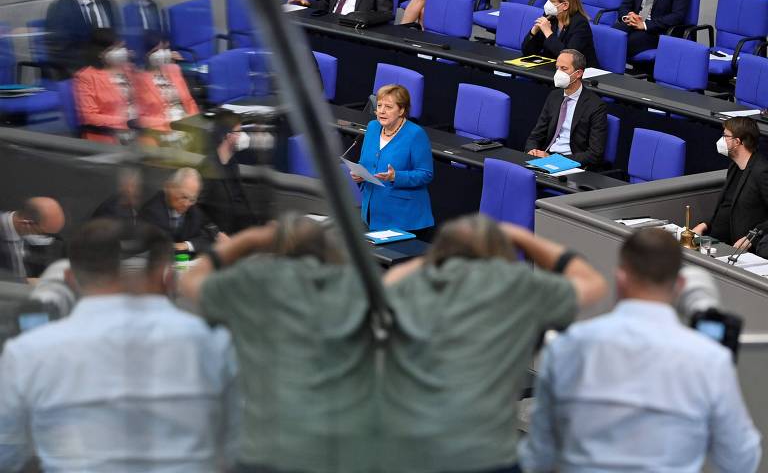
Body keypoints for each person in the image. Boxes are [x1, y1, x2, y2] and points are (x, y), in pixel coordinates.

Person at [0, 219, 239, 472]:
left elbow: (6, 455)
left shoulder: (27, 353)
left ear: (71, 280)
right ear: (169, 280)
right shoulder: (215, 343)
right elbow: (235, 448)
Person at [519, 228, 761, 472]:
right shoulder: (710, 359)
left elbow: (540, 453)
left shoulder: (567, 347)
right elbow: (740, 460)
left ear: (620, 278)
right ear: (679, 286)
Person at [379, 214, 607, 473]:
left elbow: (391, 280)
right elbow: (592, 283)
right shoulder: (517, 286)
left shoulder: (411, 286)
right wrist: (525, 238)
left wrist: (441, 253)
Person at [179, 215, 374, 473]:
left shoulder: (254, 280)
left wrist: (245, 240)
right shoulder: (355, 285)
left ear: (275, 246)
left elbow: (188, 282)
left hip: (268, 449)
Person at [352, 84, 434, 235]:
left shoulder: (415, 134)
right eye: (379, 105)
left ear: (402, 110)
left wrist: (396, 176)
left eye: (388, 107)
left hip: (403, 219)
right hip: (372, 211)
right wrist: (360, 175)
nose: (382, 111)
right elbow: (365, 162)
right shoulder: (373, 127)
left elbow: (426, 174)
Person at [692, 117, 768, 250]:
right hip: (715, 241)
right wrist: (705, 224)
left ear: (738, 142)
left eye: (725, 136)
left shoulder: (761, 171)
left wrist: (752, 238)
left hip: (738, 248)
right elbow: (726, 205)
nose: (721, 140)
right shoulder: (734, 166)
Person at [524, 49, 607, 168]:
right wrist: (532, 151)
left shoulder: (596, 106)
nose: (558, 73)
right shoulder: (554, 96)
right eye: (557, 68)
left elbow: (595, 154)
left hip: (570, 162)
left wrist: (553, 159)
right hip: (544, 157)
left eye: (564, 69)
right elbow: (536, 135)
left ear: (578, 73)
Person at [45, 0, 121, 76]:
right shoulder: (59, 8)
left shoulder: (108, 4)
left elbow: (116, 37)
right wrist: (96, 60)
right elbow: (60, 51)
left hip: (112, 69)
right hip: (80, 71)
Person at [73, 28, 136, 143]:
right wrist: (125, 121)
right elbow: (89, 117)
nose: (121, 51)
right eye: (115, 48)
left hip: (137, 131)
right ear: (100, 53)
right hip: (108, 136)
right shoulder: (86, 77)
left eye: (122, 47)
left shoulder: (127, 69)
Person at [198, 111, 256, 235]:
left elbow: (240, 200)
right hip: (220, 236)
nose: (242, 136)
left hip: (238, 232)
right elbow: (197, 208)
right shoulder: (208, 167)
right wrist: (216, 233)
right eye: (239, 132)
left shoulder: (232, 164)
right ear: (227, 135)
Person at [138, 167, 219, 254]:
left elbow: (208, 238)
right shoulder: (152, 211)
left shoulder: (194, 211)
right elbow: (163, 247)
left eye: (192, 199)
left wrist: (186, 245)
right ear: (169, 187)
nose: (186, 204)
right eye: (183, 197)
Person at [131, 32, 199, 133]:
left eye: (165, 49)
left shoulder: (174, 69)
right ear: (146, 54)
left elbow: (189, 101)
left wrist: (195, 122)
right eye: (157, 50)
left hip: (186, 123)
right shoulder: (138, 80)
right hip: (161, 130)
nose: (162, 53)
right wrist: (169, 125)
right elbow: (140, 119)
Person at [522, 0, 597, 68]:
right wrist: (533, 32)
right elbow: (528, 53)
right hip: (553, 68)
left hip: (578, 73)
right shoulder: (550, 17)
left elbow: (568, 58)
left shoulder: (580, 24)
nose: (548, 4)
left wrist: (548, 33)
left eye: (552, 1)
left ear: (565, 5)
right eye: (548, 0)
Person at [0, 197, 65, 281]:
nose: (48, 239)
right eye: (45, 234)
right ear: (26, 224)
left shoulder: (23, 233)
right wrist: (26, 282)